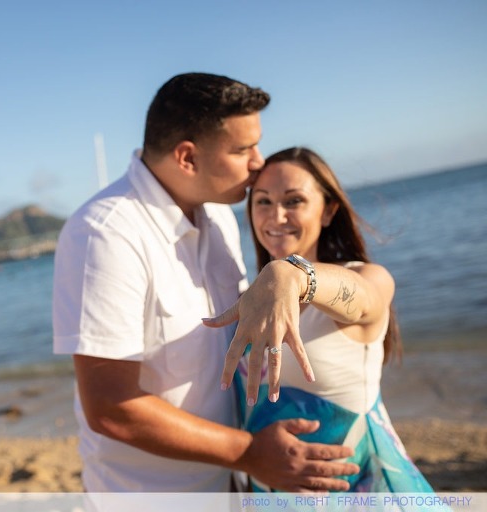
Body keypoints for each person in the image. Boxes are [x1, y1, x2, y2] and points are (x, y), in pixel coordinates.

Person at [52, 72, 359, 492]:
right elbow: (109, 407)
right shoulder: (104, 233)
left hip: (231, 485)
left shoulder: (217, 215)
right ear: (187, 158)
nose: (258, 161)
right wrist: (250, 452)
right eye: (243, 148)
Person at [203, 147, 435, 492]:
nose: (276, 216)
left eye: (294, 201)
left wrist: (294, 275)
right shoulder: (251, 301)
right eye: (263, 201)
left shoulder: (369, 276)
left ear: (328, 211)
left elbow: (363, 300)